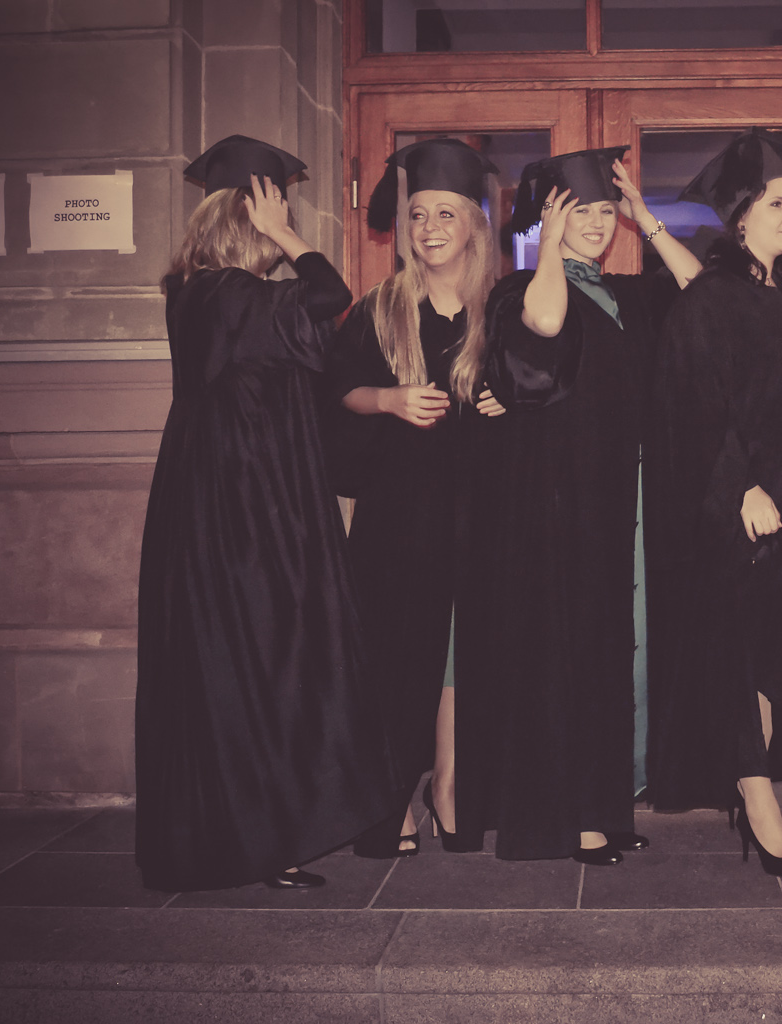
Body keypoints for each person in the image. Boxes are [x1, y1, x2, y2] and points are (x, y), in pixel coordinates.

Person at [135, 135, 401, 892]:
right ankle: (263, 839)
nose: (286, 224)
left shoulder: (196, 294)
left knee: (233, 662)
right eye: (276, 210)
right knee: (266, 655)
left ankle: (246, 834)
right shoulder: (235, 295)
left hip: (214, 500)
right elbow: (329, 297)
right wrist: (290, 238)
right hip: (249, 506)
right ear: (249, 219)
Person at [454, 146, 701, 864]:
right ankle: (568, 818)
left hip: (619, 496)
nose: (596, 223)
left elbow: (703, 291)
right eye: (578, 212)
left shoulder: (630, 295)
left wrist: (646, 218)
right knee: (561, 649)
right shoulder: (517, 290)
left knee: (608, 653)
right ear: (551, 218)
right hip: (553, 500)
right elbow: (546, 326)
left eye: (603, 211)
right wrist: (551, 247)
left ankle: (604, 805)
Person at [643, 128, 782, 879]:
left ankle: (752, 786)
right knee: (739, 657)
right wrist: (740, 486)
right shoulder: (709, 301)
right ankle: (760, 805)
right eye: (777, 203)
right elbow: (692, 408)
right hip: (731, 517)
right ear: (740, 217)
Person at [327, 138, 506, 858]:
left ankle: (452, 785)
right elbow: (335, 393)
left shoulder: (503, 308)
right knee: (397, 656)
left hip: (483, 509)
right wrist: (388, 399)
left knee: (465, 654)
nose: (429, 227)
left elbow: (546, 392)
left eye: (445, 213)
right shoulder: (381, 307)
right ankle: (390, 794)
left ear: (474, 224)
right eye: (419, 214)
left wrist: (509, 402)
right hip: (401, 514)